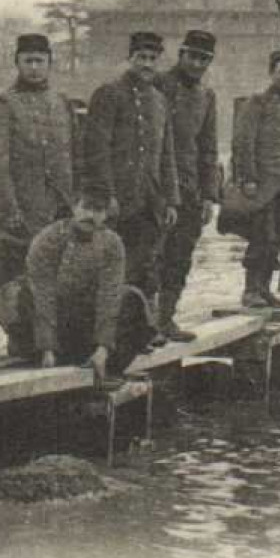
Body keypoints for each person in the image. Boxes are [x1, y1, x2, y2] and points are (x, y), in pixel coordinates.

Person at [83, 31, 181, 340]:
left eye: (153, 59)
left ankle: (143, 330)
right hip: (116, 200)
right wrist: (105, 195)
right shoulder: (108, 94)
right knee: (111, 267)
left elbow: (166, 154)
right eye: (142, 58)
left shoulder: (160, 101)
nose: (147, 64)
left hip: (149, 199)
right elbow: (96, 149)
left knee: (147, 266)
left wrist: (169, 199)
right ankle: (106, 334)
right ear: (130, 58)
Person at [0, 33, 77, 339]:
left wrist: (76, 202)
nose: (34, 68)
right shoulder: (4, 104)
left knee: (58, 274)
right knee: (20, 278)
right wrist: (8, 209)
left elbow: (74, 153)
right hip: (23, 206)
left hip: (60, 206)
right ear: (17, 63)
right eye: (28, 61)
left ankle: (49, 340)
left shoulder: (61, 103)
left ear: (50, 63)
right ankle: (20, 339)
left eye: (40, 61)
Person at [17, 199, 152, 381]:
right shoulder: (48, 238)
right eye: (86, 207)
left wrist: (103, 348)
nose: (90, 215)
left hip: (85, 321)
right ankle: (45, 353)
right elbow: (43, 293)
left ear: (105, 215)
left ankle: (106, 366)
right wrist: (47, 347)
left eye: (98, 210)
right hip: (51, 320)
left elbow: (109, 296)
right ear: (74, 208)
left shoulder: (112, 243)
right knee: (16, 295)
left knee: (132, 297)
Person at [154, 29, 220, 343]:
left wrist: (209, 195)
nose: (197, 64)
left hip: (190, 189)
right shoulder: (158, 87)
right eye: (192, 56)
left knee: (180, 256)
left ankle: (165, 318)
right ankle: (143, 322)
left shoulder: (206, 97)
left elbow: (208, 148)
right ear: (181, 55)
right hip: (156, 187)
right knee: (151, 255)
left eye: (204, 59)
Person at [228, 49, 280, 308]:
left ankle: (265, 289)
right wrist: (248, 177)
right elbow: (244, 141)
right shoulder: (257, 103)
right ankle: (250, 290)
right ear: (271, 73)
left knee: (279, 234)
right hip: (263, 182)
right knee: (261, 234)